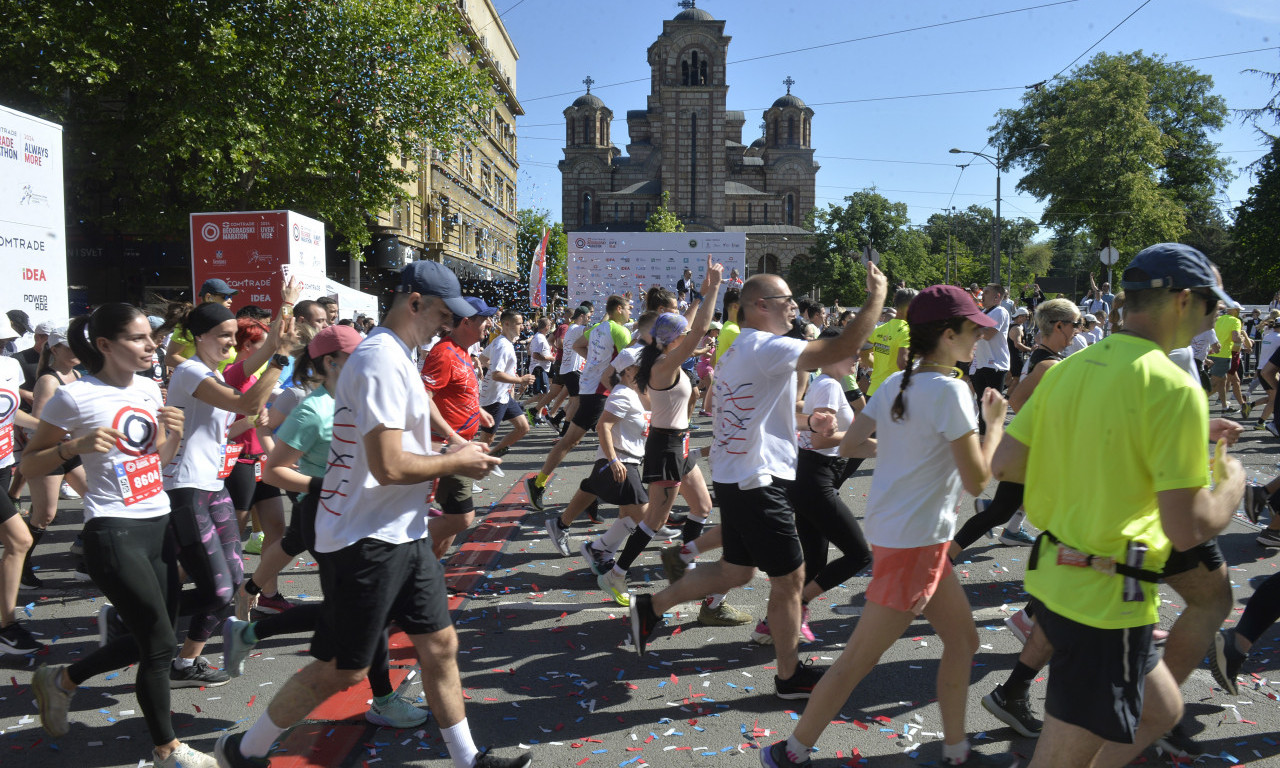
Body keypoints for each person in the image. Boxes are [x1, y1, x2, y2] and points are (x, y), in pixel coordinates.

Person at [214, 260, 529, 768]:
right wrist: (459, 459)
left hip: (399, 533)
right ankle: (242, 750)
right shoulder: (380, 359)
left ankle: (470, 759)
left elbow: (421, 400)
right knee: (342, 669)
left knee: (441, 645)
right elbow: (387, 466)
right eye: (445, 314)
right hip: (362, 539)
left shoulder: (398, 353)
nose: (450, 325)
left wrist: (451, 437)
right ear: (414, 303)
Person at [991, 243, 1244, 768]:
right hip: (1105, 601)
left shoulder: (1071, 367)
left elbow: (1007, 463)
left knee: (1162, 711)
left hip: (1057, 578)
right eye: (1212, 305)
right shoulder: (1172, 384)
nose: (1216, 317)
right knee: (1063, 754)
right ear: (1182, 301)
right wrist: (1232, 486)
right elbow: (1188, 528)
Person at [761, 285, 1013, 768]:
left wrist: (909, 448)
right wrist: (994, 422)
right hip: (915, 544)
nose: (980, 338)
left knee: (964, 642)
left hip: (916, 539)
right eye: (972, 329)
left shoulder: (897, 380)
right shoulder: (953, 389)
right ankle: (790, 752)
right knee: (858, 659)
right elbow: (979, 478)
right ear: (946, 334)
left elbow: (851, 443)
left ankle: (956, 751)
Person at [629, 264, 888, 703]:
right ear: (761, 306)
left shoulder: (743, 350)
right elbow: (843, 345)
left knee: (737, 570)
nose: (794, 308)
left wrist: (809, 418)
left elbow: (762, 410)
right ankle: (789, 676)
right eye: (788, 301)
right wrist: (876, 296)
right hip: (757, 479)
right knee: (789, 580)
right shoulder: (768, 347)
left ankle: (650, 607)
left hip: (739, 475)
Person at [26, 304, 214, 768]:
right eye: (139, 338)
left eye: (151, 337)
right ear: (105, 345)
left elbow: (156, 460)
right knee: (159, 647)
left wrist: (174, 435)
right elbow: (30, 463)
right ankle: (167, 750)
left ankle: (63, 680)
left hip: (159, 524)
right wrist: (73, 447)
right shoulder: (75, 398)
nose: (152, 346)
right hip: (113, 531)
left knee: (162, 638)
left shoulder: (151, 388)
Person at [224, 323, 428, 729]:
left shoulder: (365, 398)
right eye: (357, 358)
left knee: (356, 610)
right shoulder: (312, 409)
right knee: (367, 610)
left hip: (363, 515)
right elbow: (274, 471)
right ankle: (383, 700)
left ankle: (247, 636)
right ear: (331, 363)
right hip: (323, 516)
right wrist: (326, 484)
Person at [163, 284, 297, 687]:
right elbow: (245, 402)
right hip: (186, 488)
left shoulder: (213, 371)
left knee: (233, 576)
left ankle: (163, 645)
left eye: (232, 336)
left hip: (213, 484)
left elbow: (235, 419)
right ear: (199, 337)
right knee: (219, 590)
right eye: (223, 336)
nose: (231, 342)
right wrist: (279, 359)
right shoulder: (190, 371)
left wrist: (285, 303)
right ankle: (179, 661)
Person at [775, 343, 870, 645]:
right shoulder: (829, 385)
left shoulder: (827, 384)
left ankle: (773, 623)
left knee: (815, 562)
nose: (857, 356)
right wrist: (874, 441)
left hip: (809, 476)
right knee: (859, 554)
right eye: (852, 352)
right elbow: (819, 439)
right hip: (815, 477)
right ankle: (793, 607)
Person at [525, 295, 632, 510]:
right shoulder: (620, 331)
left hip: (592, 387)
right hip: (599, 391)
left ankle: (594, 493)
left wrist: (596, 363)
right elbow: (632, 360)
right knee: (571, 441)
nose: (631, 312)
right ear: (619, 309)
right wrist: (608, 368)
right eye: (629, 308)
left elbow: (577, 346)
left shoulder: (598, 328)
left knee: (612, 442)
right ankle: (540, 483)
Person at [423, 297, 498, 558]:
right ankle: (402, 541)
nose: (489, 324)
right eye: (485, 319)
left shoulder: (463, 351)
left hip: (460, 445)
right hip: (446, 448)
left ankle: (427, 575)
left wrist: (478, 411)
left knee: (452, 521)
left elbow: (454, 392)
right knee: (461, 518)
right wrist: (453, 437)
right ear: (466, 321)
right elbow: (424, 398)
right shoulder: (444, 352)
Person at [0, 344, 41, 653]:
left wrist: (51, 426)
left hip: (3, 466)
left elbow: (12, 414)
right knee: (20, 540)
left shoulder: (9, 367)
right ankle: (6, 625)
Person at [476, 309, 534, 471]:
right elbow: (496, 375)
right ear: (506, 324)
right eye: (518, 323)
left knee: (523, 427)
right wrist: (520, 379)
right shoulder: (502, 345)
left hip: (504, 396)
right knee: (486, 439)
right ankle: (472, 470)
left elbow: (483, 359)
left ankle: (491, 458)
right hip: (493, 398)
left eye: (522, 323)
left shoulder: (501, 342)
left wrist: (510, 376)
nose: (522, 327)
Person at [164, 278, 237, 370]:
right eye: (225, 296)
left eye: (231, 297)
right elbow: (170, 358)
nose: (230, 300)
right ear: (208, 297)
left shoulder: (224, 324)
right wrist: (204, 372)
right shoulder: (191, 322)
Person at [970, 284, 1011, 434]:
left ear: (997, 297)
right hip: (982, 363)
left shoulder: (1000, 311)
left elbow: (988, 334)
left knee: (991, 407)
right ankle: (983, 441)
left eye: (986, 293)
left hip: (995, 365)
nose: (982, 295)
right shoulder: (985, 312)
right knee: (982, 405)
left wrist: (968, 324)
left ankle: (994, 444)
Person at [864, 288, 916, 397]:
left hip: (874, 391)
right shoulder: (907, 331)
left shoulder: (880, 329)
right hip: (893, 394)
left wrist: (881, 367)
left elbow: (863, 352)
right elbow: (902, 364)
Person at [1208, 303, 1249, 415]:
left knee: (1223, 381)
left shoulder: (1219, 318)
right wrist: (1241, 338)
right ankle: (1194, 402)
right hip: (1224, 354)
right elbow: (1235, 338)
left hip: (1213, 353)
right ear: (1235, 310)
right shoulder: (1235, 321)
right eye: (1239, 310)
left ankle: (1225, 408)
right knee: (1214, 384)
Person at [1006, 307, 1032, 390]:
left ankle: (1000, 395)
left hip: (1010, 355)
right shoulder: (1016, 328)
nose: (1027, 318)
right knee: (1017, 379)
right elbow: (1017, 344)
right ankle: (1007, 399)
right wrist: (1031, 349)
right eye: (1026, 316)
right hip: (1015, 356)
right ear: (1020, 316)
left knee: (1009, 379)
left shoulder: (1012, 325)